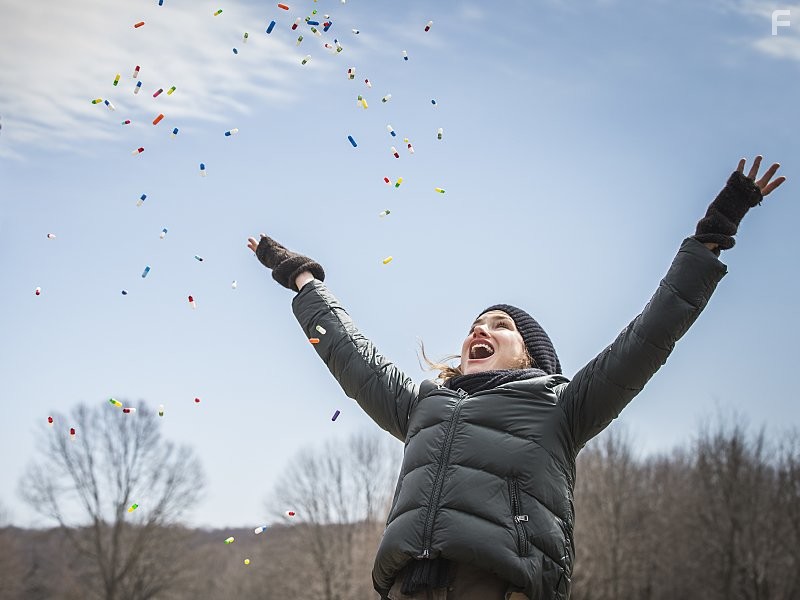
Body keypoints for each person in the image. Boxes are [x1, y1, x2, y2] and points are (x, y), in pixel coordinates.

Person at [247, 156, 786, 600]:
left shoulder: (562, 407)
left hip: (499, 585)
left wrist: (713, 234)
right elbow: (352, 356)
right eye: (474, 326)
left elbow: (649, 335)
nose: (479, 330)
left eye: (499, 326)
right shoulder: (423, 405)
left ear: (529, 356)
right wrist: (301, 278)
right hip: (409, 586)